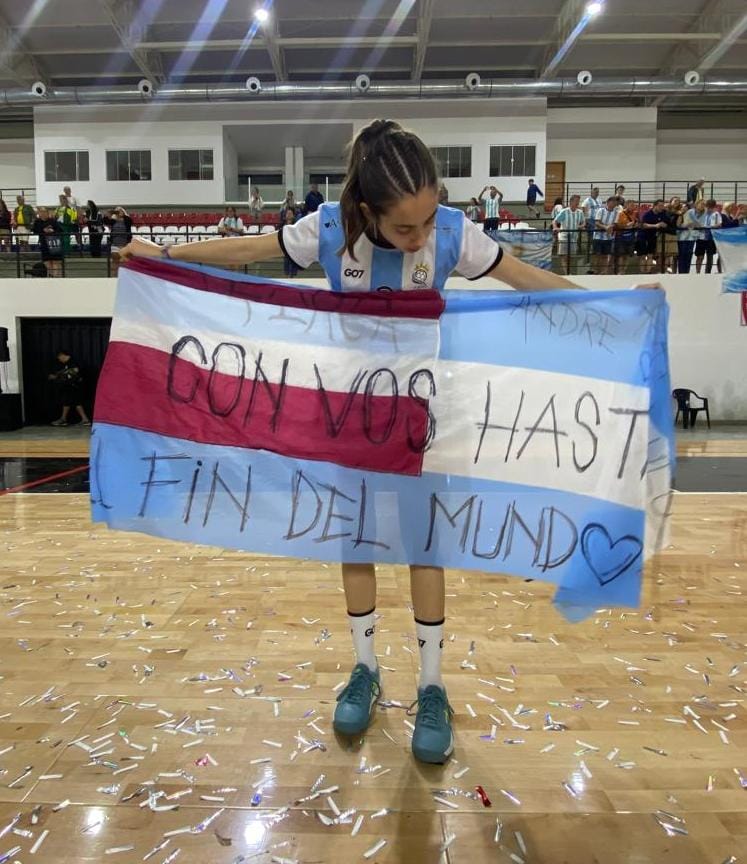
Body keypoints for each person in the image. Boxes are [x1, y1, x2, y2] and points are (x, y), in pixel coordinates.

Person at [119, 118, 589, 766]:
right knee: (357, 539)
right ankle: (364, 670)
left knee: (425, 547)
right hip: (348, 411)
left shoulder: (452, 233)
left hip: (426, 415)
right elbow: (250, 250)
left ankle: (431, 687)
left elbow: (522, 276)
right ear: (367, 211)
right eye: (404, 228)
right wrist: (163, 256)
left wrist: (614, 303)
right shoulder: (329, 230)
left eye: (427, 222)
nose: (420, 236)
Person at [48, 349, 90, 426]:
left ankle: (83, 419)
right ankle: (81, 419)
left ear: (62, 355)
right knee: (69, 402)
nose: (60, 360)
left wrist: (57, 376)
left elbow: (74, 371)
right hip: (70, 386)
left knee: (73, 401)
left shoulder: (73, 361)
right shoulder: (67, 364)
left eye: (59, 358)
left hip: (75, 385)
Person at [553, 194, 585, 275]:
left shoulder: (580, 212)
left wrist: (580, 226)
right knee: (564, 256)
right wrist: (555, 227)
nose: (578, 203)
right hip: (564, 236)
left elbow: (584, 222)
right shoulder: (564, 211)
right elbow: (555, 221)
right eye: (576, 201)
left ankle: (568, 271)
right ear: (571, 202)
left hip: (574, 237)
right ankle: (566, 273)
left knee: (570, 256)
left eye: (578, 201)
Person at [635, 199, 667, 274]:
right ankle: (642, 272)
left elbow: (665, 223)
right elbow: (643, 225)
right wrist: (655, 226)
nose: (661, 207)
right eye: (660, 206)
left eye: (662, 206)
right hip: (643, 236)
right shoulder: (647, 214)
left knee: (650, 255)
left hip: (652, 237)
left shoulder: (662, 214)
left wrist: (664, 225)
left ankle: (648, 271)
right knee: (643, 255)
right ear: (655, 206)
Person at [32, 205, 64, 277]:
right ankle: (50, 276)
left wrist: (52, 231)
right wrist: (43, 230)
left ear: (47, 213)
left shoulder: (53, 221)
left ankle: (55, 277)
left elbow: (60, 230)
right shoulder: (37, 222)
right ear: (39, 213)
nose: (43, 214)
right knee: (47, 262)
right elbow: (35, 231)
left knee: (55, 262)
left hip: (54, 244)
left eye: (44, 212)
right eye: (41, 212)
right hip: (44, 245)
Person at [591, 196, 618, 275]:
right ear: (608, 202)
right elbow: (597, 222)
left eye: (615, 202)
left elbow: (615, 223)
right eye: (612, 202)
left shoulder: (616, 212)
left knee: (606, 255)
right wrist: (605, 227)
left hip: (608, 237)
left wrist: (611, 227)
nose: (614, 204)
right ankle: (596, 270)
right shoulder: (601, 210)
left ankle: (604, 271)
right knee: (597, 254)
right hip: (598, 236)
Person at [678, 198, 705, 275]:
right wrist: (695, 224)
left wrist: (695, 224)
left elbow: (700, 225)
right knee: (683, 254)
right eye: (701, 204)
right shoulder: (690, 212)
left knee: (689, 255)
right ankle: (681, 272)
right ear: (697, 205)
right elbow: (687, 224)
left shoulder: (704, 213)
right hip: (684, 236)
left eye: (704, 204)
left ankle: (687, 272)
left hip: (693, 237)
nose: (703, 206)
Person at [695, 199, 722, 274]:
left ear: (714, 207)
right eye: (708, 207)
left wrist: (707, 227)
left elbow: (718, 225)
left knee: (709, 256)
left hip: (711, 238)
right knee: (699, 256)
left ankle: (707, 273)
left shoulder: (716, 214)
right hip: (701, 237)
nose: (709, 209)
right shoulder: (701, 213)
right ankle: (698, 273)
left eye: (711, 207)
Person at [104, 206, 133, 276]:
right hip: (115, 243)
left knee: (125, 261)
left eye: (120, 211)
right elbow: (105, 221)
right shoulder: (113, 220)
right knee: (115, 261)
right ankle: (114, 276)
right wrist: (108, 214)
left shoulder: (126, 220)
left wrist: (123, 215)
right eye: (116, 211)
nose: (118, 212)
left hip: (125, 243)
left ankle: (125, 276)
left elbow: (130, 221)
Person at [614, 200, 639, 274]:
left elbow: (637, 222)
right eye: (631, 205)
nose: (633, 207)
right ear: (626, 205)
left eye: (633, 205)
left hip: (631, 237)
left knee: (628, 255)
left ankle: (624, 270)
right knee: (621, 255)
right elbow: (617, 225)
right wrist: (626, 226)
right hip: (621, 237)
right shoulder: (620, 213)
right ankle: (620, 270)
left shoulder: (635, 214)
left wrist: (635, 225)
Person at [662, 197, 684, 273]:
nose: (676, 202)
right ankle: (664, 271)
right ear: (671, 201)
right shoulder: (665, 210)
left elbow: (678, 224)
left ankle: (673, 272)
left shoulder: (679, 212)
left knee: (673, 255)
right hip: (664, 233)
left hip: (673, 234)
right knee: (664, 255)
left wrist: (680, 214)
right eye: (675, 201)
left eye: (678, 201)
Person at [281, 208, 299, 277]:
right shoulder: (282, 224)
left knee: (294, 261)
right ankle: (286, 274)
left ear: (293, 216)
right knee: (286, 261)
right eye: (287, 214)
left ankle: (293, 276)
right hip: (285, 245)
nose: (289, 215)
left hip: (294, 245)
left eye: (290, 214)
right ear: (285, 215)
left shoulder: (296, 224)